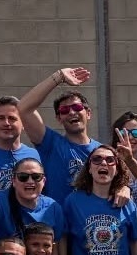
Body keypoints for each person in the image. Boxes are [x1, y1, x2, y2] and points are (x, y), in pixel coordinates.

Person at [17, 66, 101, 204]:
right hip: (59, 222)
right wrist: (59, 76)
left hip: (90, 221)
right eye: (64, 110)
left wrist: (124, 188)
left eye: (77, 107)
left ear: (88, 113)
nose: (72, 112)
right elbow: (23, 108)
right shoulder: (51, 143)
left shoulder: (103, 153)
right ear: (59, 118)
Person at [0, 157, 64, 255]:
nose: (30, 181)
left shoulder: (53, 207)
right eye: (23, 177)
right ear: (14, 181)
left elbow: (53, 247)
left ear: (44, 181)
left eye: (36, 177)